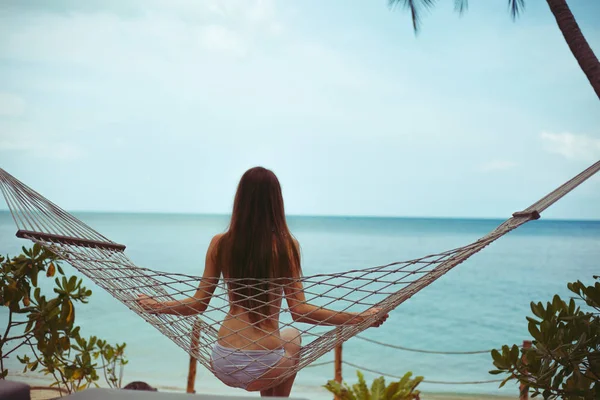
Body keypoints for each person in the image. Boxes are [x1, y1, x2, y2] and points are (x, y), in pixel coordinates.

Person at [137, 167, 388, 397]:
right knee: (293, 335)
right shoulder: (286, 246)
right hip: (266, 366)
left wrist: (155, 305)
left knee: (286, 337)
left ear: (240, 201)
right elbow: (299, 311)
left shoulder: (221, 243)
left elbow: (197, 304)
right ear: (276, 203)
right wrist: (359, 318)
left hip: (223, 361)